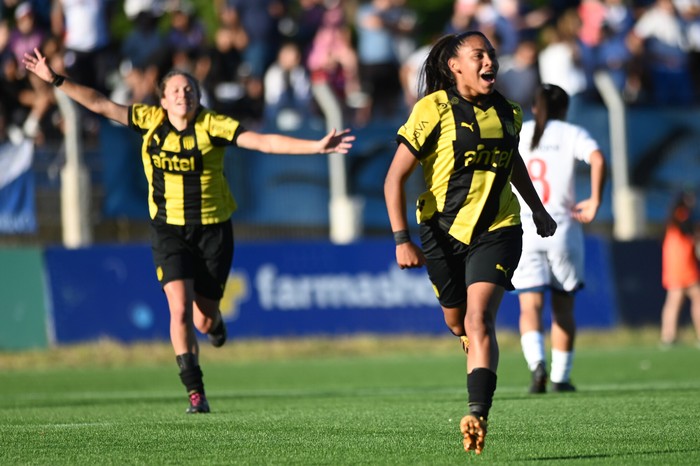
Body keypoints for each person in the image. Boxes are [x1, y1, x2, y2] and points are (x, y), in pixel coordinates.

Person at [23, 47, 355, 414]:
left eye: (189, 90)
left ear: (198, 97)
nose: (183, 95)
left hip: (213, 230)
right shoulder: (149, 121)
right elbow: (100, 104)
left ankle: (215, 326)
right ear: (163, 100)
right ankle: (195, 392)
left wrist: (315, 147)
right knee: (178, 309)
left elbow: (263, 142)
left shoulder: (213, 125)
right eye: (176, 91)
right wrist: (55, 79)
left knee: (203, 317)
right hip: (169, 231)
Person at [383, 31, 557, 455]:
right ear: (454, 65)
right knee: (457, 322)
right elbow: (394, 178)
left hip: (498, 229)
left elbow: (511, 161)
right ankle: (470, 346)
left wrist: (536, 208)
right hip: (441, 234)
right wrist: (401, 239)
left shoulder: (509, 112)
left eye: (492, 55)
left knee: (480, 320)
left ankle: (477, 412)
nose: (489, 62)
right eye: (479, 55)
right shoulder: (432, 109)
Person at [510, 83, 606, 394]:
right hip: (562, 227)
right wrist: (594, 200)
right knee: (563, 309)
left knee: (529, 306)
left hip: (524, 227)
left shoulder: (519, 132)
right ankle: (560, 378)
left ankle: (537, 365)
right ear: (564, 109)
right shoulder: (571, 133)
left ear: (535, 107)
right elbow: (598, 159)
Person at [659, 190, 700, 347]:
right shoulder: (683, 215)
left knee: (673, 302)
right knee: (697, 298)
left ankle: (668, 336)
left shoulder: (671, 219)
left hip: (673, 266)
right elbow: (690, 234)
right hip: (684, 266)